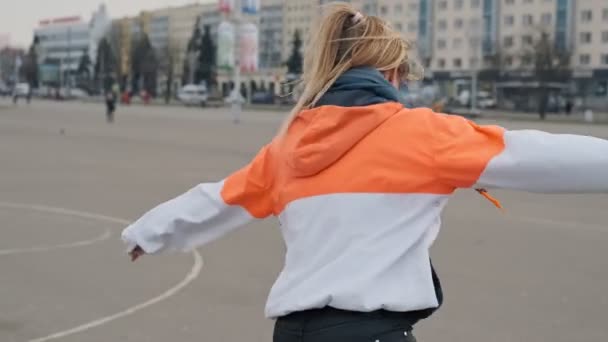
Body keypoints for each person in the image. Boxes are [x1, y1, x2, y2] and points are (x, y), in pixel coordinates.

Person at [121, 4, 608, 341]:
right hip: (367, 332)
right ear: (391, 75)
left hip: (292, 332)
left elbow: (219, 198)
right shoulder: (419, 133)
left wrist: (151, 231)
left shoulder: (289, 145)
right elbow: (533, 154)